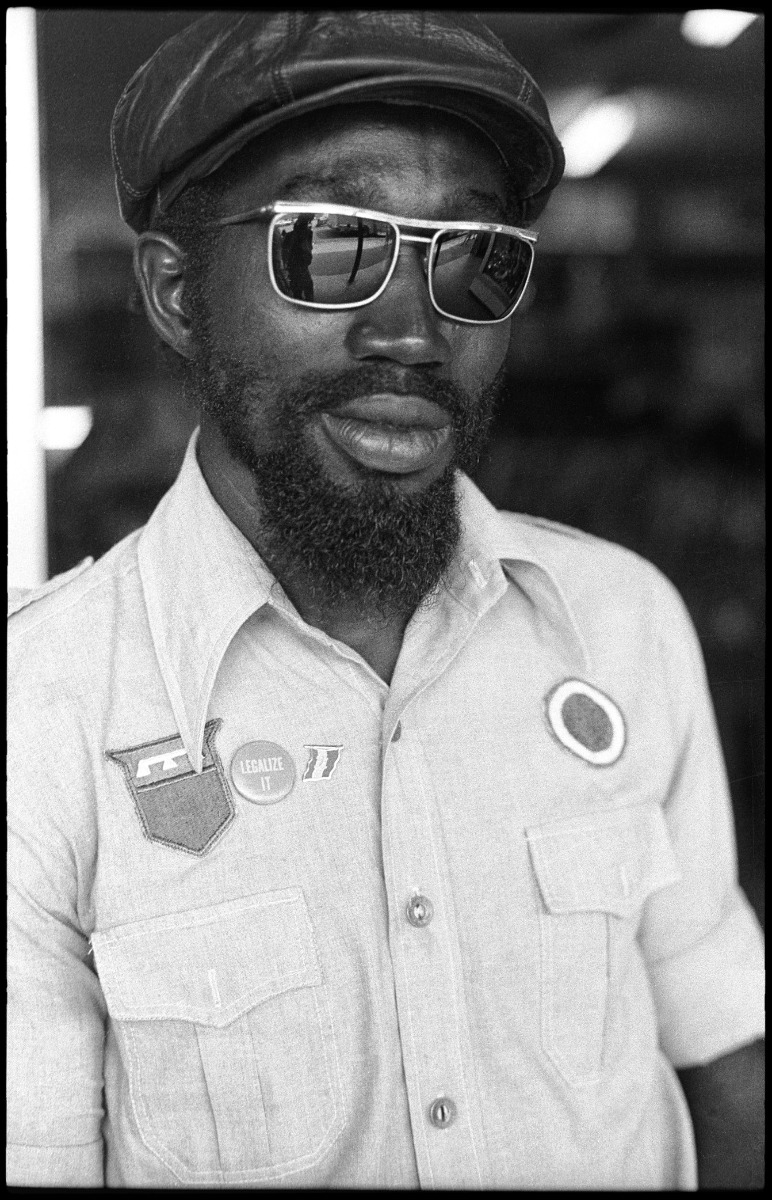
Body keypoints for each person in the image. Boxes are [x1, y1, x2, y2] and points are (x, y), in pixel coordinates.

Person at [7, 11, 764, 1190]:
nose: (413, 331)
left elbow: (725, 1057)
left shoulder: (621, 625)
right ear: (174, 293)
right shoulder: (43, 712)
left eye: (473, 259)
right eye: (329, 243)